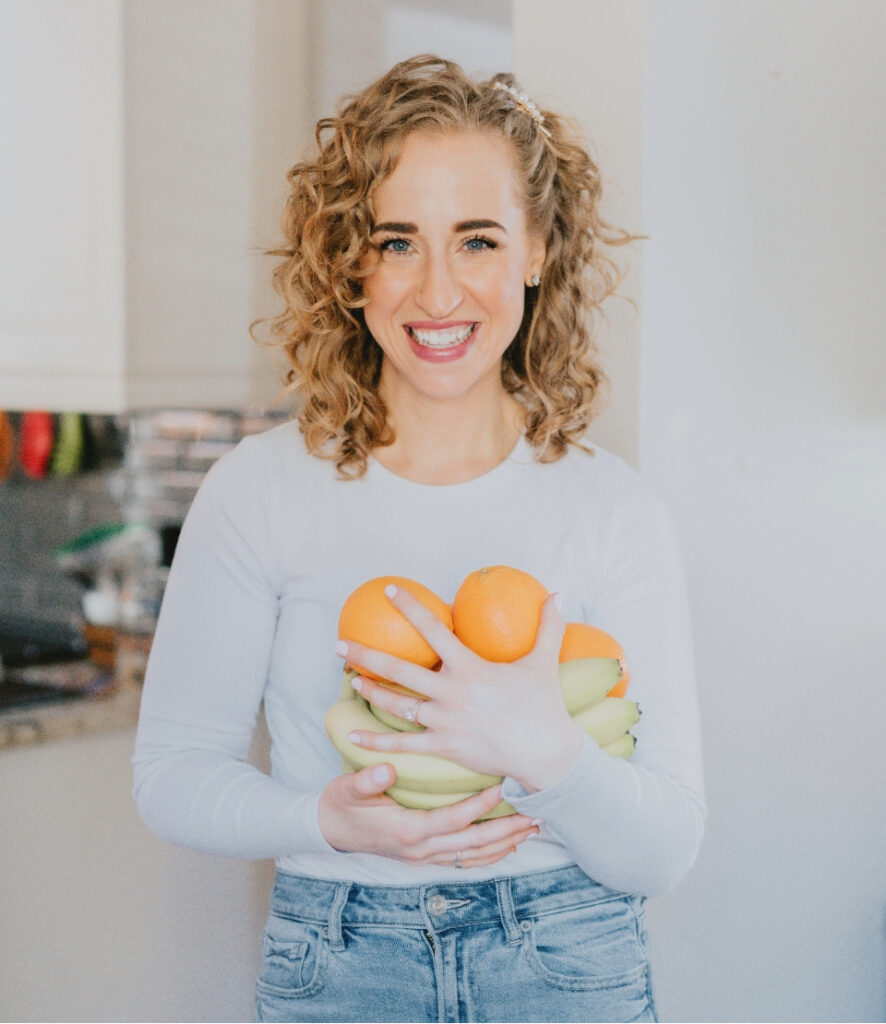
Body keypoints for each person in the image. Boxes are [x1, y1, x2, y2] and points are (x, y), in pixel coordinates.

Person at [132, 54, 705, 1024]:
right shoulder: (260, 491)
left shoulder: (613, 510)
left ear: (535, 249)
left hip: (565, 960)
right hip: (339, 955)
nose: (437, 291)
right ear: (348, 262)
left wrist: (545, 752)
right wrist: (323, 819)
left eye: (476, 240)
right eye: (396, 241)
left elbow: (666, 847)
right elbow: (172, 775)